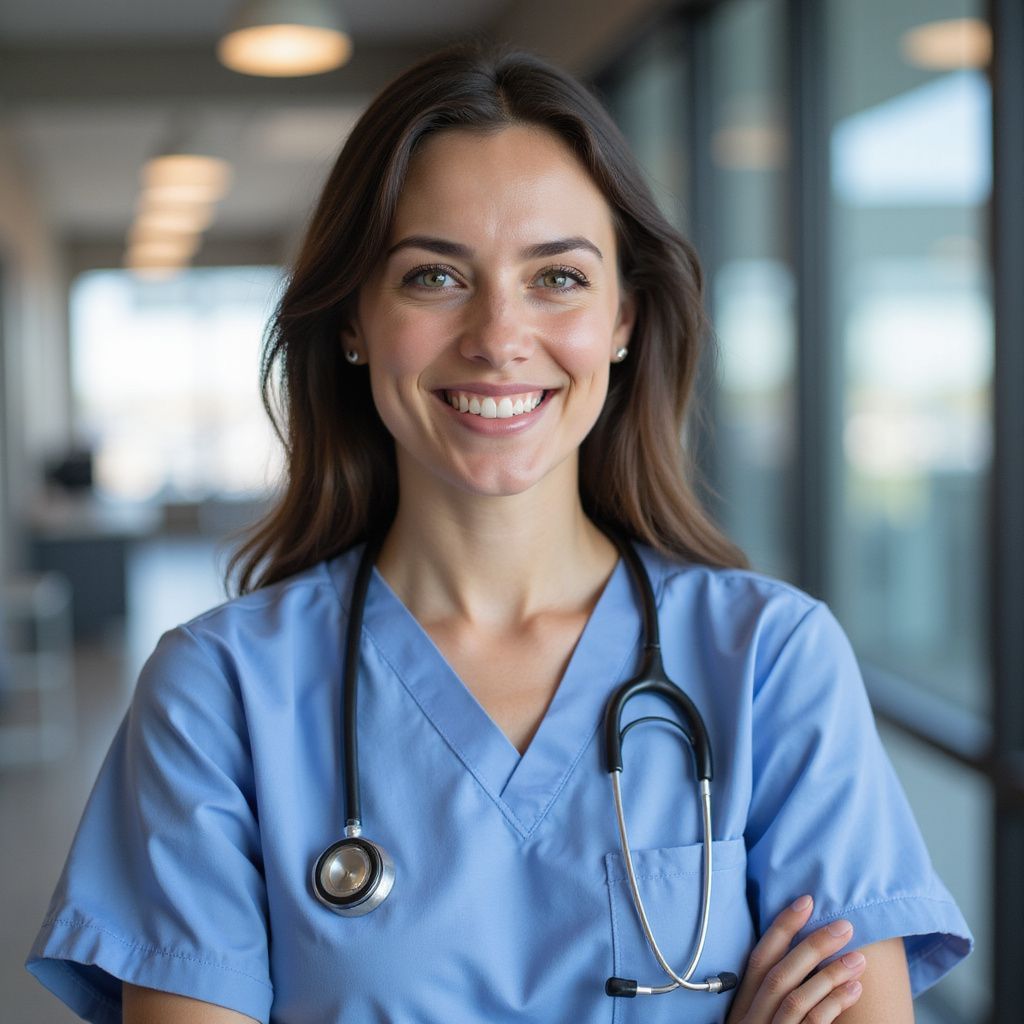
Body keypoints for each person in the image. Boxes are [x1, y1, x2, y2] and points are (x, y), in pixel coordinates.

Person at [27, 43, 970, 1023]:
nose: (497, 333)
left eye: (557, 277)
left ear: (623, 318)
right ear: (353, 317)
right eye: (435, 276)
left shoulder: (771, 663)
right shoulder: (219, 695)